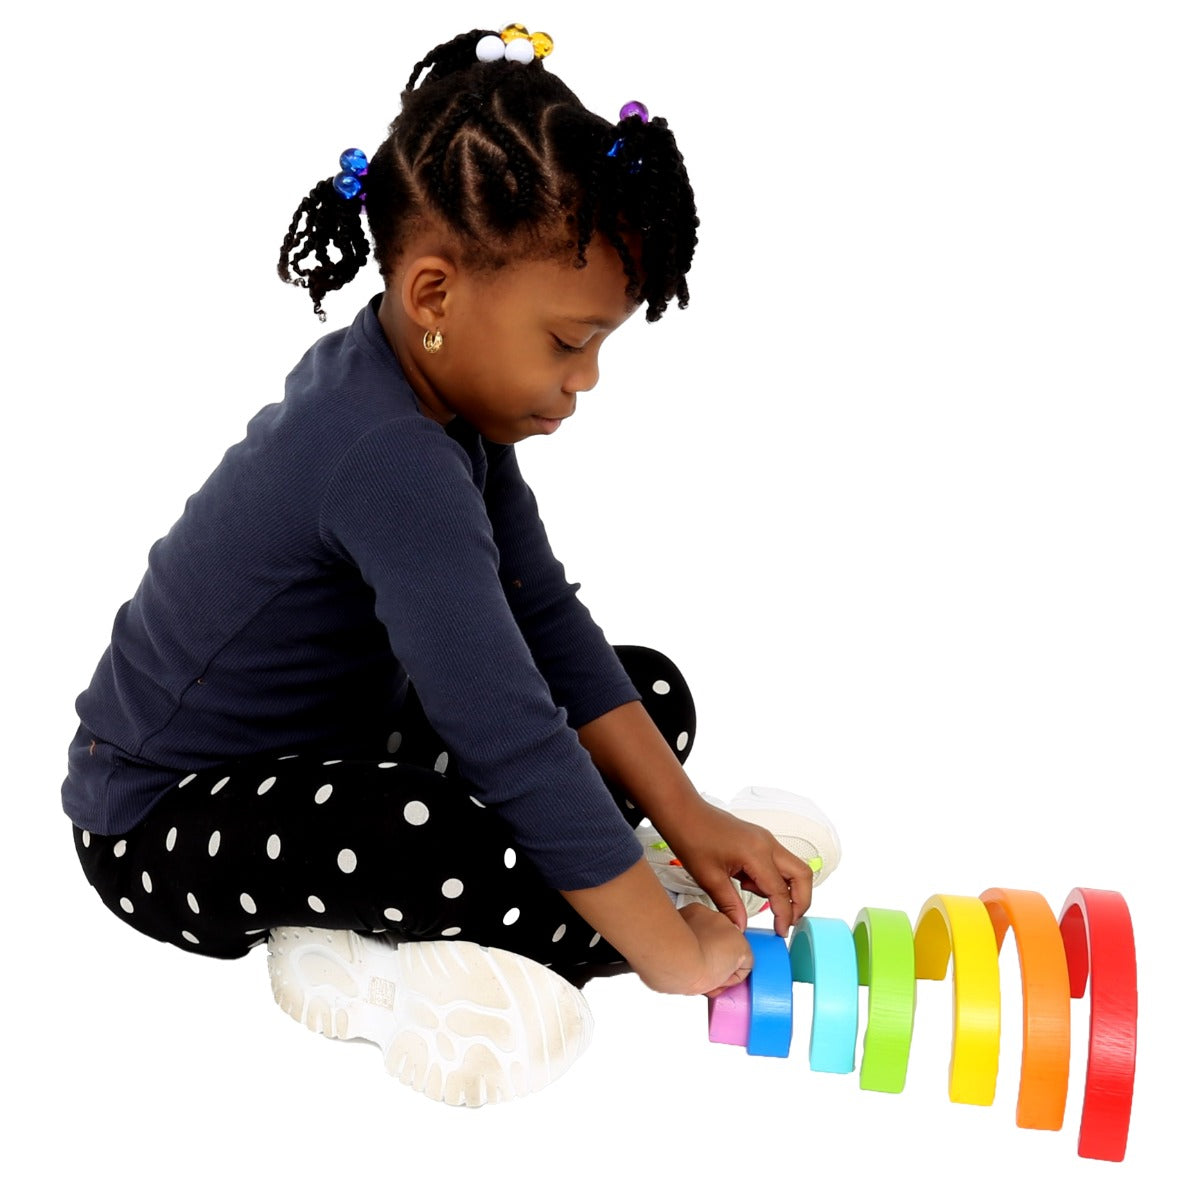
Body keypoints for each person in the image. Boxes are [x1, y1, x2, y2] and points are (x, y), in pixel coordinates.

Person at [62, 23, 841, 1107]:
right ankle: (368, 965)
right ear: (434, 298)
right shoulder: (387, 454)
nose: (589, 380)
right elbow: (506, 728)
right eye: (569, 343)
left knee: (644, 689)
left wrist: (690, 813)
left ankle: (614, 869)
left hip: (342, 738)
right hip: (165, 820)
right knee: (437, 836)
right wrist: (667, 951)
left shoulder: (440, 407)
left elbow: (542, 623)